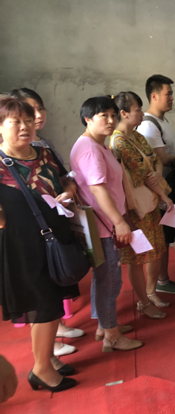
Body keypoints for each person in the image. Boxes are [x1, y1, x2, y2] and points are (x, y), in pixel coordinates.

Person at [0, 97, 77, 392]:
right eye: (15, 122)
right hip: (22, 247)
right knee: (44, 305)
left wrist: (68, 192)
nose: (24, 127)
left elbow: (66, 179)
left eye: (28, 120)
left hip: (54, 240)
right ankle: (42, 370)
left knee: (51, 303)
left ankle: (47, 359)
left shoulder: (44, 153)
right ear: (1, 126)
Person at [70, 95, 143, 351]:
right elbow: (98, 189)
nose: (111, 121)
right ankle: (111, 335)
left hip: (105, 224)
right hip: (105, 226)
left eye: (113, 115)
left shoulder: (97, 144)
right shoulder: (90, 149)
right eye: (104, 116)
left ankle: (105, 325)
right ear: (88, 119)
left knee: (104, 277)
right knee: (109, 280)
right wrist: (119, 222)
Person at [110, 91, 172, 318]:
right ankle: (143, 302)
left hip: (151, 202)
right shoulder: (119, 142)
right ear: (124, 113)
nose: (142, 114)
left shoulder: (137, 136)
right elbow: (142, 174)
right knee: (138, 257)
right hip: (137, 208)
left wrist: (158, 173)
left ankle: (151, 292)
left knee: (156, 250)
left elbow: (155, 161)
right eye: (138, 110)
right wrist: (164, 195)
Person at [137, 75, 175, 294]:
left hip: (171, 186)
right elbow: (162, 159)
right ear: (154, 96)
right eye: (168, 94)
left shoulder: (162, 121)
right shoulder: (149, 125)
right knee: (165, 236)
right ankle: (163, 281)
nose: (172, 98)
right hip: (161, 188)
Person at [8, 88, 64, 163]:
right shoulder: (18, 148)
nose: (39, 115)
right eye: (30, 111)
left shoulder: (46, 142)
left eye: (40, 108)